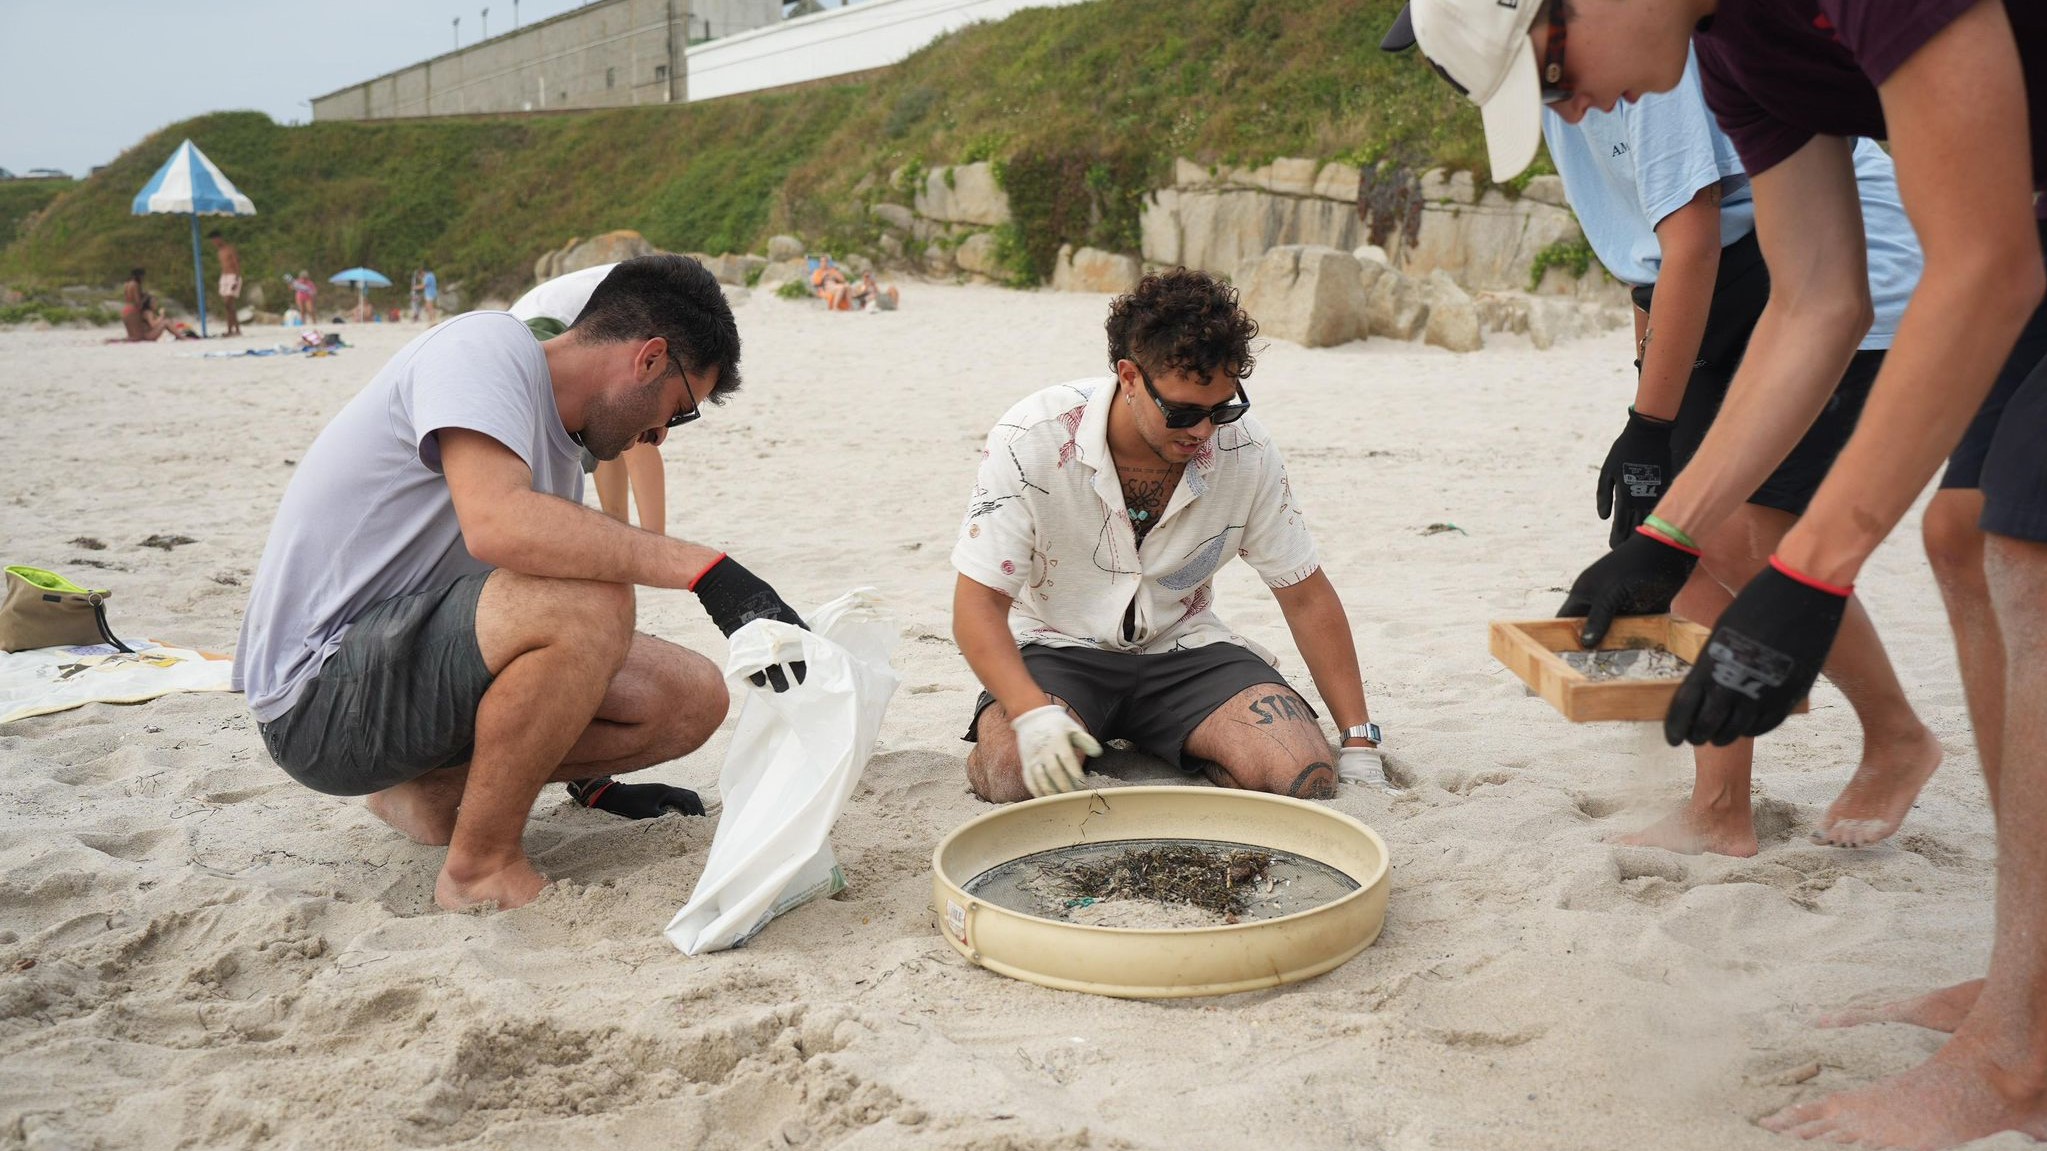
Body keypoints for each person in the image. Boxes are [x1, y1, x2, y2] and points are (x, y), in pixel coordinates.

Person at [1407, 0, 2047, 1143]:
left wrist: (1812, 570)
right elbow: (1815, 301)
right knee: (1962, 538)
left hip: (2014, 236)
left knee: (2028, 552)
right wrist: (1667, 538)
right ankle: (2032, 988)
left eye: (1552, 73)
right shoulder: (1732, 49)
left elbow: (1984, 260)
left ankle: (2018, 1055)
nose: (1574, 108)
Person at [1387, 21, 1939, 854]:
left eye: (1554, 79)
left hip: (1837, 256)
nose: (1571, 108)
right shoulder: (1591, 72)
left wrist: (1653, 431)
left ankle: (1894, 732)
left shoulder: (1662, 52)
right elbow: (1646, 260)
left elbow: (1694, 244)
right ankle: (1719, 810)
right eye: (1544, 94)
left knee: (1746, 529)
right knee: (1681, 539)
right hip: (1749, 278)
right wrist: (1644, 425)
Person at [233, 255, 809, 912]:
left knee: (690, 697)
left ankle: (426, 791)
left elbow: (539, 649)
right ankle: (478, 869)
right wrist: (705, 569)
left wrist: (596, 785)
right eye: (678, 410)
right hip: (318, 695)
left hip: (401, 674)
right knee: (589, 600)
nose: (661, 435)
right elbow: (497, 524)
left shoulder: (558, 453)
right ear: (649, 359)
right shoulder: (484, 346)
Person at [952, 267, 1389, 803]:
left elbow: (1304, 594)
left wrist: (1359, 741)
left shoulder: (1245, 450)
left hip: (1185, 649)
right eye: (1182, 412)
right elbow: (977, 608)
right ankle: (1061, 727)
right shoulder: (1033, 438)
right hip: (1057, 648)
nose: (1203, 432)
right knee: (1015, 775)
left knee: (1304, 775)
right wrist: (1030, 712)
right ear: (1130, 377)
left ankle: (1175, 737)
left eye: (1223, 409)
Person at [508, 261, 690, 822]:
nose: (667, 431)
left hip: (546, 334)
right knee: (637, 422)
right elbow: (642, 438)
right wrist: (655, 548)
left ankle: (588, 782)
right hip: (539, 334)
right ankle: (638, 537)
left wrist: (617, 541)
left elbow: (620, 441)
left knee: (621, 436)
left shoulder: (654, 299)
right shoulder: (530, 374)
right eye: (684, 410)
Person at [119, 268, 171, 342]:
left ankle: (113, 340)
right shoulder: (135, 284)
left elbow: (127, 298)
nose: (143, 278)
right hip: (133, 310)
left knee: (132, 336)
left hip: (125, 310)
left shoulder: (127, 284)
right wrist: (146, 297)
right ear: (139, 276)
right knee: (136, 337)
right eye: (142, 276)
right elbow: (138, 302)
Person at [207, 231, 242, 337]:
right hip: (224, 277)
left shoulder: (229, 249)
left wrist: (236, 279)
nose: (214, 243)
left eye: (215, 240)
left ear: (220, 238)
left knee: (228, 303)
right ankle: (236, 329)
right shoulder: (219, 252)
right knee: (229, 306)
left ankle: (230, 330)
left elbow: (236, 263)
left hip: (233, 276)